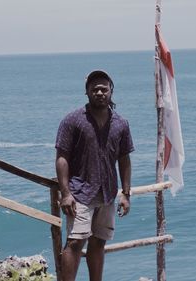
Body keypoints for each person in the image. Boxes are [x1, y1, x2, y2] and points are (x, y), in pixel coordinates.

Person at [55, 70, 134, 281]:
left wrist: (126, 194)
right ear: (87, 92)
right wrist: (65, 193)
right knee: (75, 242)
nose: (99, 92)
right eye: (95, 89)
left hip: (107, 193)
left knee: (99, 242)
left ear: (111, 91)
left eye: (103, 89)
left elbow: (124, 159)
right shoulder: (73, 120)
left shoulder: (121, 123)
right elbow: (62, 157)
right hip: (80, 192)